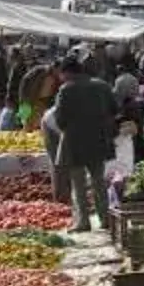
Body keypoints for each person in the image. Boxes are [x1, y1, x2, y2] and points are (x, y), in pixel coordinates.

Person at [54, 54, 118, 232]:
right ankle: (105, 219)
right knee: (99, 182)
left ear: (67, 73)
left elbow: (60, 120)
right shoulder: (102, 85)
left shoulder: (66, 90)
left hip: (75, 144)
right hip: (99, 140)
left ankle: (83, 221)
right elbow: (114, 109)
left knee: (78, 184)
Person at [39, 103, 71, 203]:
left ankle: (70, 194)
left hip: (63, 125)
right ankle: (60, 199)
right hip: (50, 125)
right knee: (58, 164)